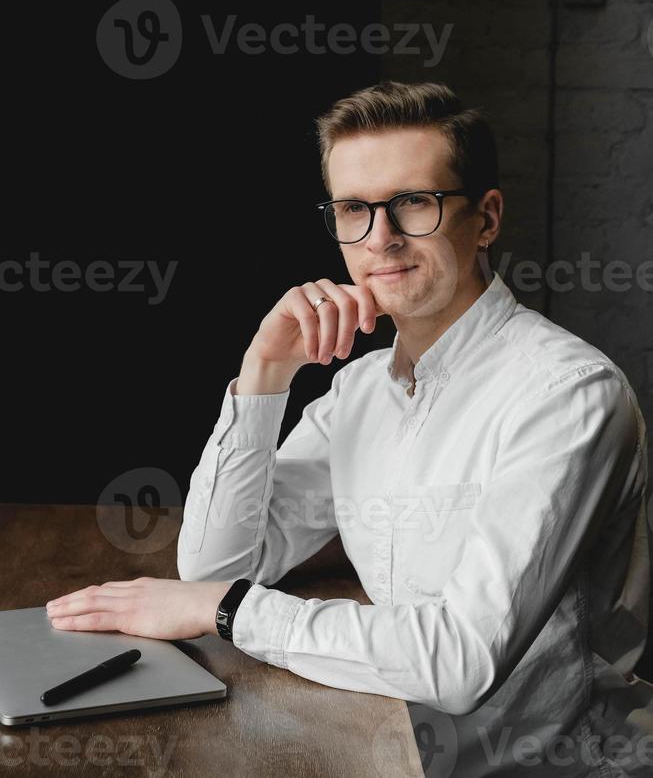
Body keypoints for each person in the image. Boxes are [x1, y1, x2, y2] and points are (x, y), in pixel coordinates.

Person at [46, 81, 652, 777]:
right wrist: (263, 373)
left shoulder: (566, 395)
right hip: (388, 740)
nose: (380, 238)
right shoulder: (360, 389)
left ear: (485, 219)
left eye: (413, 203)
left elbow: (457, 661)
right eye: (353, 210)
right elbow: (218, 566)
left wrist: (224, 612)